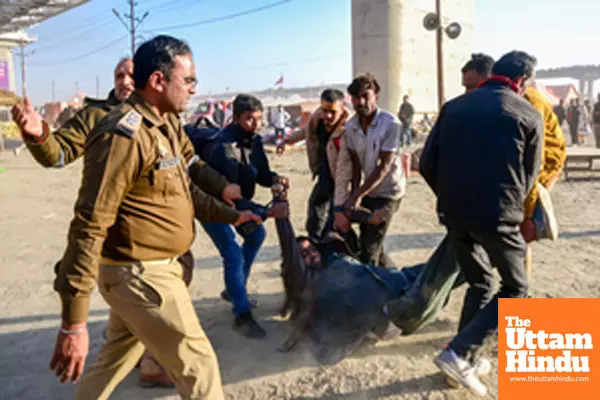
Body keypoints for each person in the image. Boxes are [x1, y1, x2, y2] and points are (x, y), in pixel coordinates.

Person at [47, 35, 262, 400]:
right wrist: (73, 322)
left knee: (115, 358)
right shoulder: (125, 135)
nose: (194, 88)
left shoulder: (166, 124)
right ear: (158, 81)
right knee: (200, 367)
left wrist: (231, 215)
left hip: (151, 271)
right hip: (141, 274)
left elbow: (185, 192)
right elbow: (90, 223)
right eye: (189, 79)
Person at [420, 50, 543, 396]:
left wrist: (451, 196)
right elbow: (529, 178)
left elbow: (426, 163)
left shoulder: (454, 107)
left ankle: (463, 358)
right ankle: (458, 353)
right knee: (516, 288)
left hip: (454, 215)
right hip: (499, 217)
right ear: (522, 82)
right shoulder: (528, 114)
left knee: (480, 283)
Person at [200, 94, 290, 339]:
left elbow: (259, 174)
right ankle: (242, 314)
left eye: (259, 119)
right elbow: (234, 198)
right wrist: (266, 212)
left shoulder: (255, 141)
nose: (255, 124)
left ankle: (234, 287)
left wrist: (274, 179)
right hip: (213, 205)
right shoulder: (223, 146)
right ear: (236, 118)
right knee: (231, 252)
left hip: (238, 201)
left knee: (256, 235)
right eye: (249, 119)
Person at [333, 74, 405, 267]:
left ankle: (372, 294)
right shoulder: (351, 126)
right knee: (364, 240)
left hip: (389, 192)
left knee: (370, 249)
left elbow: (384, 167)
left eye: (366, 96)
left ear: (376, 96)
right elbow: (356, 166)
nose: (361, 102)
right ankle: (397, 280)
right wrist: (352, 196)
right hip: (367, 191)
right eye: (356, 98)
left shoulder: (391, 123)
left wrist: (357, 195)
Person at [13, 58, 134, 168]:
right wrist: (41, 135)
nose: (125, 82)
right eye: (119, 76)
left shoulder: (152, 116)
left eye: (132, 76)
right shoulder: (94, 116)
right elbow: (58, 155)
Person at [278, 89, 353, 242]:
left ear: (342, 109)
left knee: (337, 214)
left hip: (343, 177)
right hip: (325, 171)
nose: (328, 116)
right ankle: (315, 240)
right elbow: (306, 131)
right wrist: (287, 141)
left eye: (333, 112)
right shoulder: (317, 119)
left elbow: (345, 169)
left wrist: (340, 203)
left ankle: (338, 246)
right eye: (325, 110)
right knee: (316, 207)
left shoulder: (349, 129)